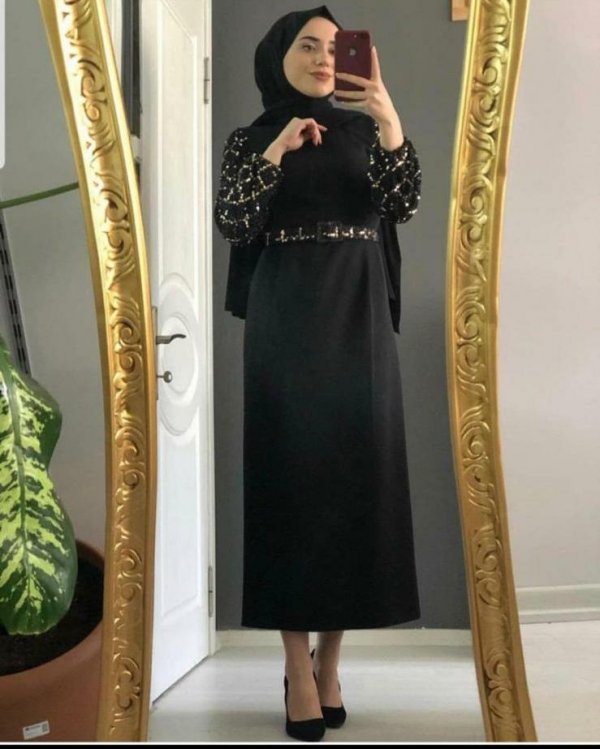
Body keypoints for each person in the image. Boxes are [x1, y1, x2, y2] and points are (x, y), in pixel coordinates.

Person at [214, 5, 422, 742]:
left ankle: (330, 662)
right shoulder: (249, 140)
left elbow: (404, 202)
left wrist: (389, 118)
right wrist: (277, 149)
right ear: (279, 56)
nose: (324, 57)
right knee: (290, 489)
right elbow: (235, 221)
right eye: (308, 45)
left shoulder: (366, 133)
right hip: (286, 319)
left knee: (353, 488)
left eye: (336, 47)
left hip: (358, 317)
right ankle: (295, 670)